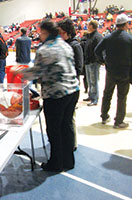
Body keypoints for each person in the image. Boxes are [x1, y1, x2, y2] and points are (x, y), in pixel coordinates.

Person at [14, 19, 79, 172]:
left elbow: (36, 73)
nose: (39, 36)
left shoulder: (45, 49)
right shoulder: (64, 44)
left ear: (45, 32)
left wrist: (18, 72)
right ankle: (68, 161)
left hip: (56, 94)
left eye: (40, 33)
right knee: (67, 126)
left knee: (54, 130)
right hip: (73, 91)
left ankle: (55, 163)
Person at [95, 13, 132, 129]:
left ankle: (104, 116)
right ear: (126, 24)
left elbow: (97, 50)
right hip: (125, 72)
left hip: (110, 71)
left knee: (107, 93)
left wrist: (103, 61)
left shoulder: (108, 37)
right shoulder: (129, 38)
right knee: (122, 97)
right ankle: (119, 121)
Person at [57, 18, 83, 151]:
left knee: (70, 117)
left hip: (72, 87)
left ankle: (73, 144)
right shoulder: (63, 45)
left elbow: (79, 67)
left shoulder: (74, 46)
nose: (59, 36)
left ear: (68, 32)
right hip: (63, 87)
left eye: (61, 33)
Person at [83, 20, 103, 106]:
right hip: (88, 61)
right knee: (89, 80)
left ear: (92, 26)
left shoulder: (97, 37)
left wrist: (98, 60)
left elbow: (99, 50)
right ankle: (91, 95)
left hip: (94, 62)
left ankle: (95, 98)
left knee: (94, 81)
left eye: (88, 25)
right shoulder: (89, 36)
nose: (87, 26)